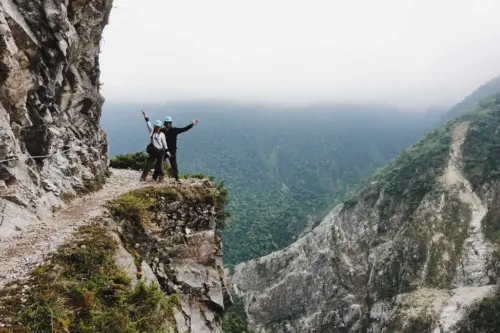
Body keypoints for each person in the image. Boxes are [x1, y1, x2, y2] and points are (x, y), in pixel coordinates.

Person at [156, 115, 198, 181]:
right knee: (160, 164)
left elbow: (184, 129)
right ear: (165, 123)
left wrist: (192, 124)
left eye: (169, 122)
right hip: (164, 150)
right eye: (168, 123)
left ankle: (176, 178)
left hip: (172, 151)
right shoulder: (162, 130)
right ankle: (156, 177)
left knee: (173, 165)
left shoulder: (173, 130)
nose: (169, 124)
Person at [140, 110, 170, 182]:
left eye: (158, 127)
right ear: (155, 126)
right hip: (153, 151)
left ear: (160, 127)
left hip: (160, 152)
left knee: (160, 165)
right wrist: (145, 115)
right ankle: (143, 177)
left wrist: (167, 151)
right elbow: (148, 122)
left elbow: (164, 143)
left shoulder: (162, 135)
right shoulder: (152, 131)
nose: (157, 128)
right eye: (156, 126)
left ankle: (161, 178)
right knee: (149, 164)